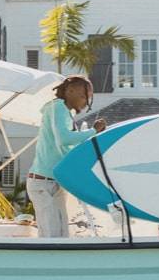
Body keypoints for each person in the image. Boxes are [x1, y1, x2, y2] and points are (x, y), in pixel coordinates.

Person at [26, 75, 107, 237]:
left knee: (62, 234)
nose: (86, 103)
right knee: (51, 234)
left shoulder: (64, 113)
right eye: (84, 96)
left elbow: (68, 147)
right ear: (70, 91)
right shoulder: (57, 108)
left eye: (88, 98)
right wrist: (93, 131)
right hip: (43, 183)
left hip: (55, 181)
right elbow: (63, 139)